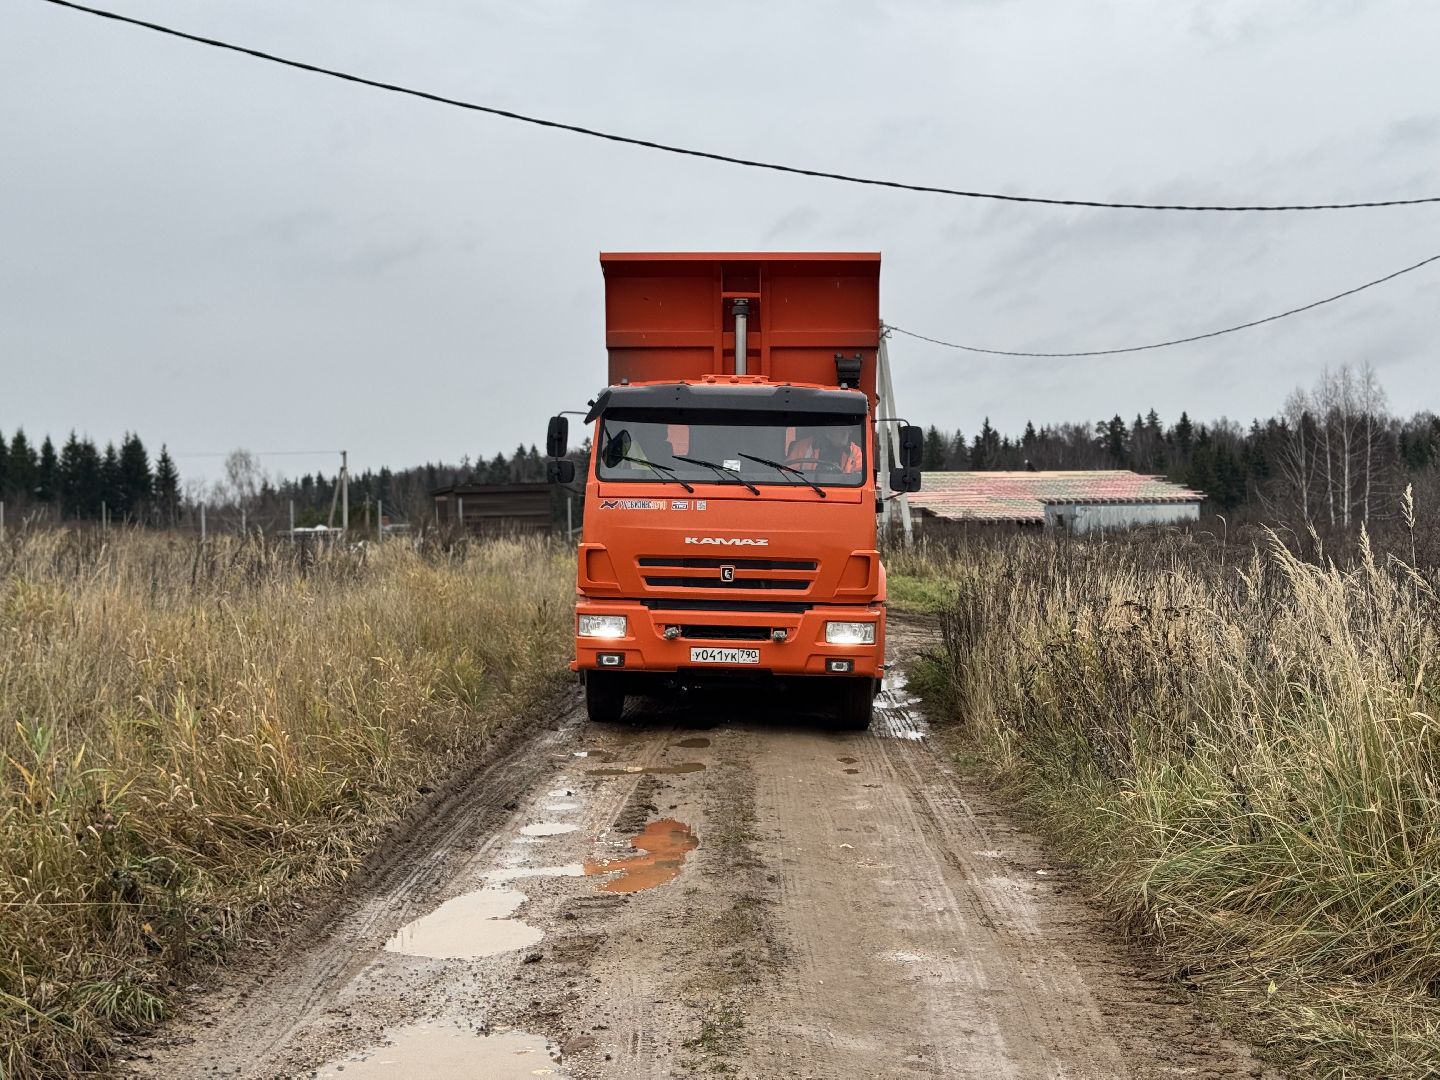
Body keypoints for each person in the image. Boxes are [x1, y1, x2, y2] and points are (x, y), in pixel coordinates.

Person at [786, 424, 862, 474]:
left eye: (848, 427)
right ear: (828, 431)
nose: (847, 432)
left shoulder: (855, 452)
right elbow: (787, 473)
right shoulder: (803, 446)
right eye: (840, 428)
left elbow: (859, 477)